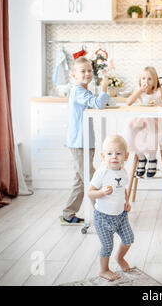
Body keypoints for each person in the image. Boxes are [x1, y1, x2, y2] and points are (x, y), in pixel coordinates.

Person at [60, 56, 110, 225]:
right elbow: (98, 104)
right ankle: (102, 214)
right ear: (74, 76)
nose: (87, 73)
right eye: (83, 71)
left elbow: (96, 103)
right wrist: (104, 88)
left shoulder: (83, 91)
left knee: (80, 180)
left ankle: (68, 214)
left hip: (83, 142)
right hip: (80, 143)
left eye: (89, 70)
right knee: (92, 179)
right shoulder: (78, 91)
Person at [88, 135, 134, 281]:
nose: (114, 157)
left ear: (126, 156)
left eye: (118, 153)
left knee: (128, 239)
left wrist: (126, 202)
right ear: (103, 156)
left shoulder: (123, 171)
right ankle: (104, 269)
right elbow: (90, 192)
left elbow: (123, 189)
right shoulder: (102, 173)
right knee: (107, 245)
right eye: (109, 153)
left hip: (121, 216)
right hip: (103, 217)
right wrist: (101, 193)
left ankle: (120, 258)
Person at [125, 66, 162, 177]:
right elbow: (128, 102)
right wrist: (139, 91)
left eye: (149, 79)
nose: (146, 81)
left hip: (157, 123)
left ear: (155, 81)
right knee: (130, 127)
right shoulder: (139, 91)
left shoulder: (159, 91)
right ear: (140, 80)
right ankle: (141, 158)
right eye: (143, 78)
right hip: (141, 122)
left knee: (151, 129)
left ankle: (152, 159)